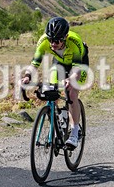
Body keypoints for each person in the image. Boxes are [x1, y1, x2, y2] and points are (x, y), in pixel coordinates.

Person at [21, 17, 88, 149]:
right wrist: (27, 76)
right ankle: (60, 119)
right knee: (51, 91)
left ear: (65, 37)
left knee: (72, 91)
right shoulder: (44, 41)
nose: (53, 44)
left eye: (57, 40)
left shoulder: (74, 42)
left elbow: (77, 70)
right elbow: (34, 63)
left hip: (78, 65)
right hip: (59, 63)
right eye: (51, 39)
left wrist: (70, 79)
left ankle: (74, 132)